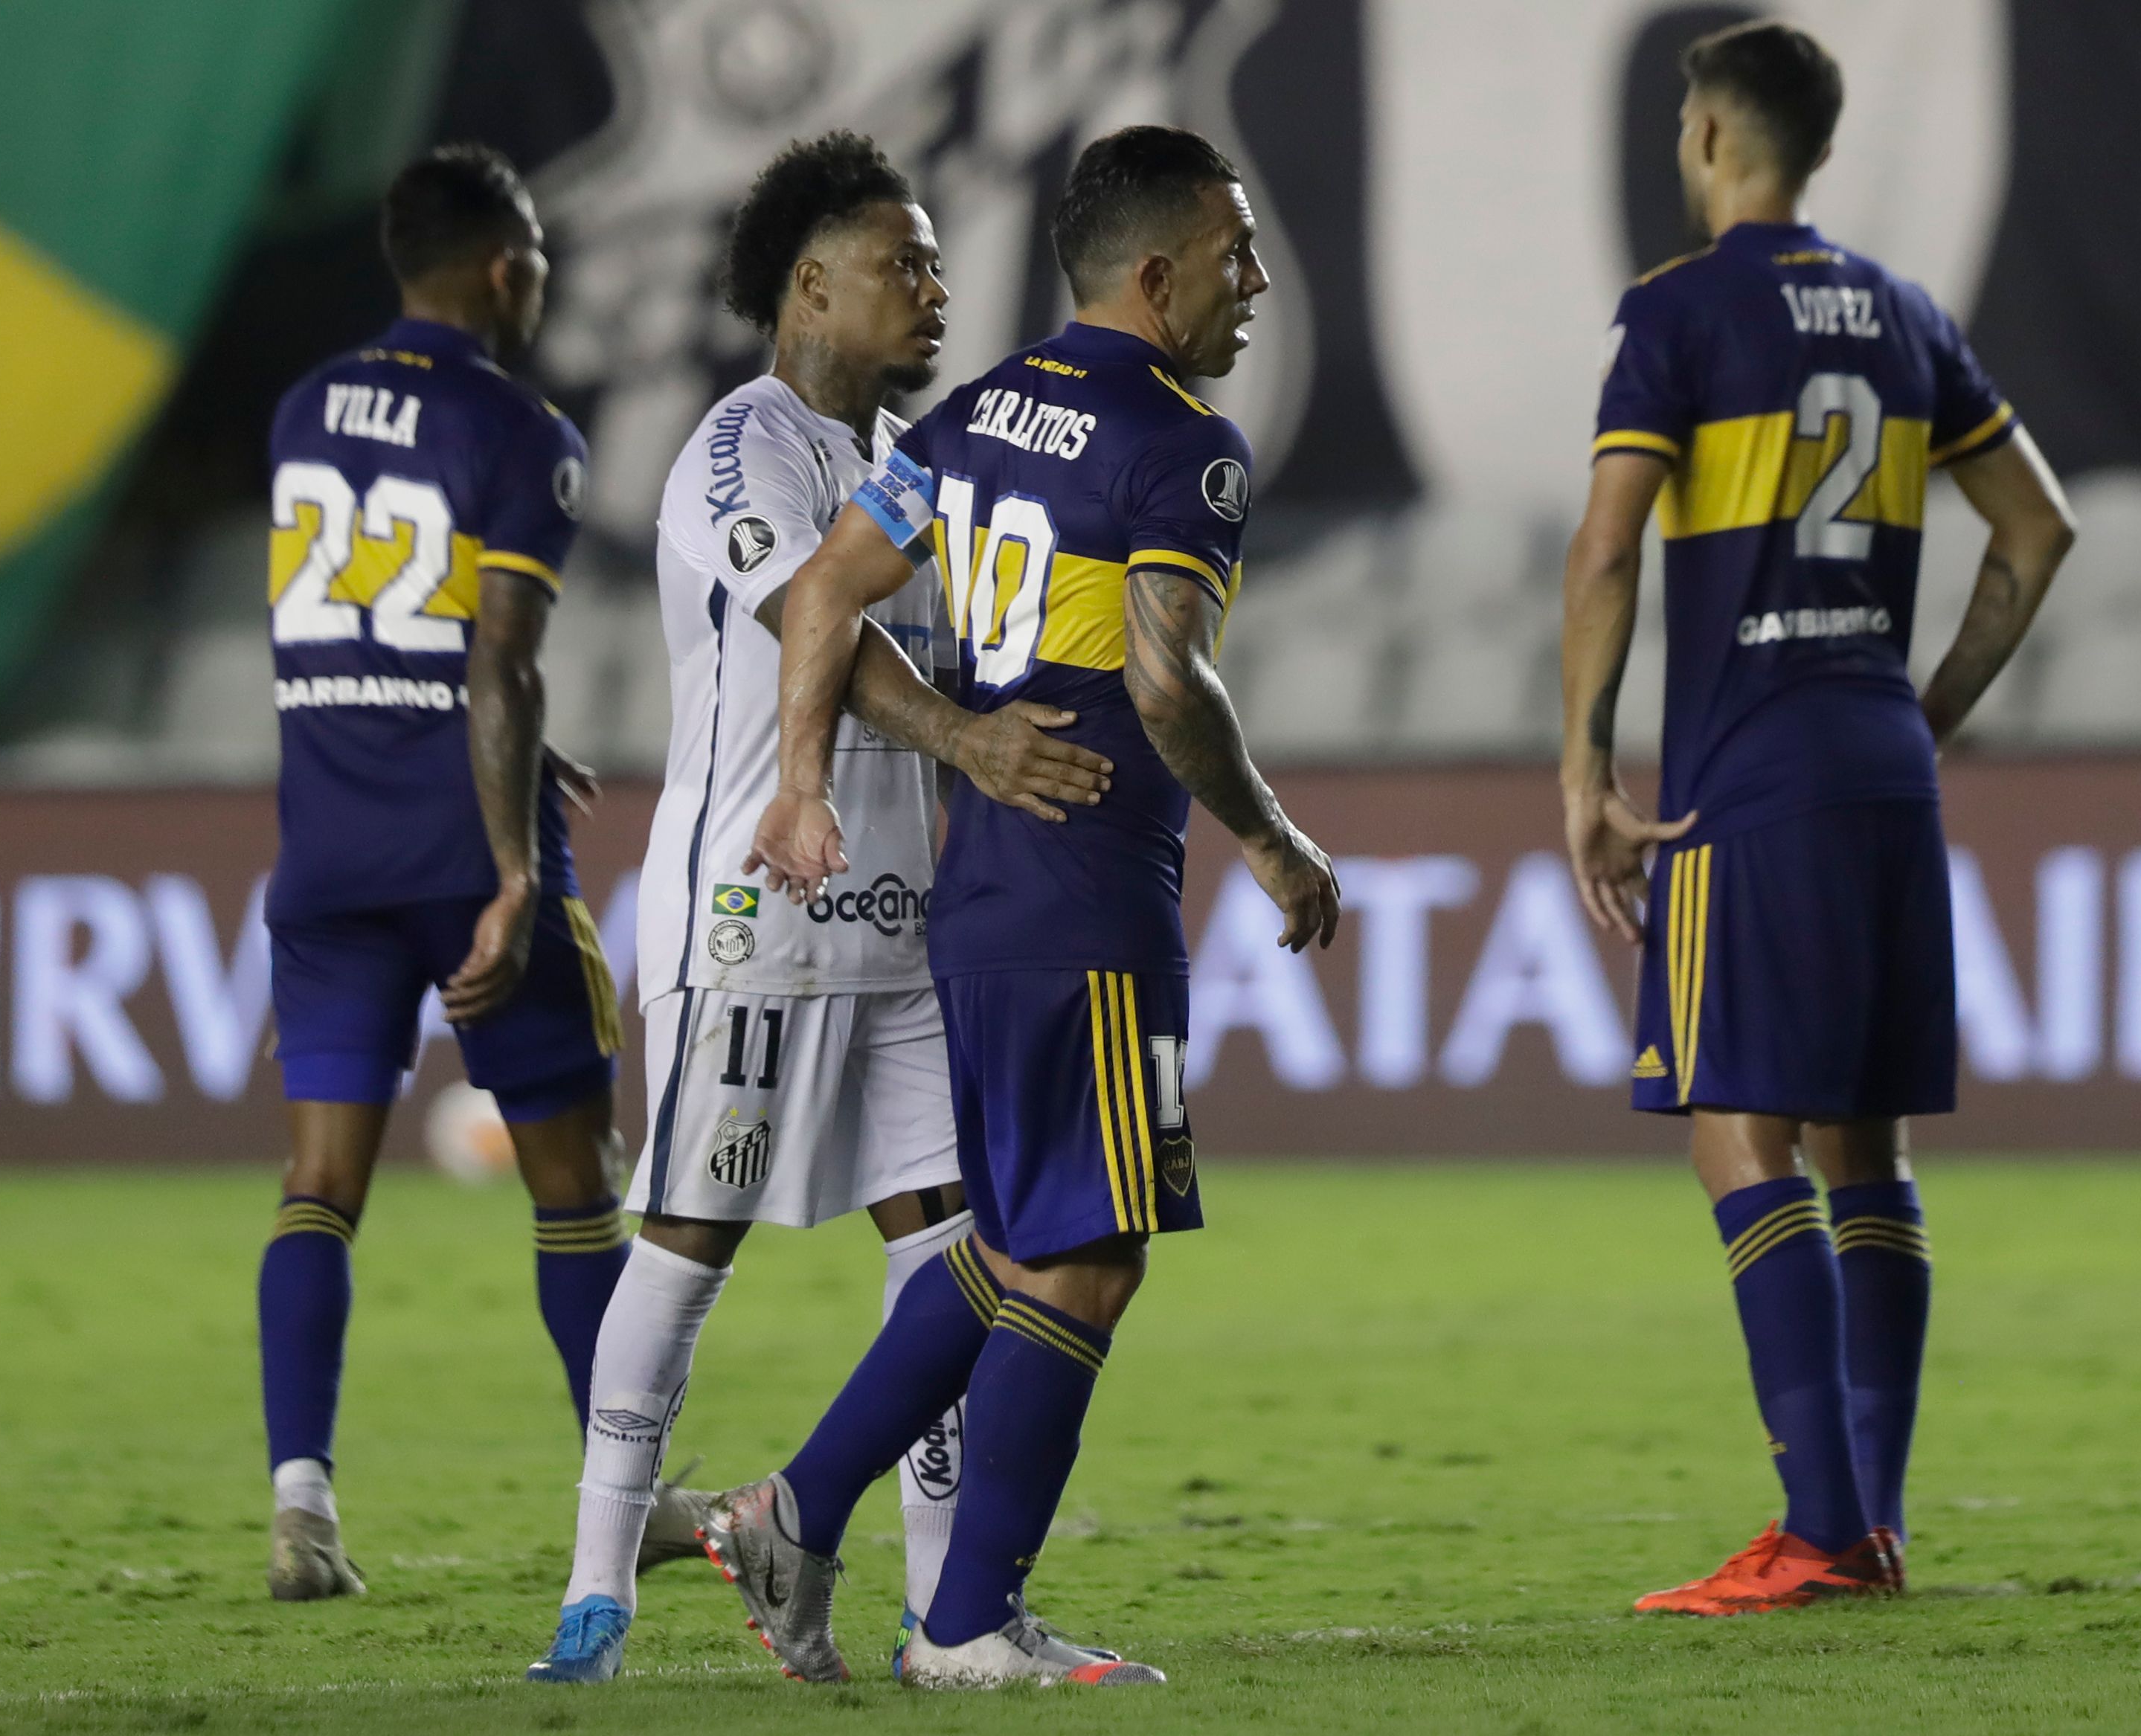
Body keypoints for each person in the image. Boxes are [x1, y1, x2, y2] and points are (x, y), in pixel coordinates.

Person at [710, 123, 1341, 1689]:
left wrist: (805, 779)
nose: (1253, 282)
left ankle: (795, 1506)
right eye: (1233, 252)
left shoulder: (977, 410)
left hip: (977, 896)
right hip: (1086, 891)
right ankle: (967, 1622)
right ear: (1153, 275)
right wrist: (1269, 837)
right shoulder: (1181, 442)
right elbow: (1161, 676)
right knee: (1093, 1252)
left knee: (1014, 1239)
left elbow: (823, 593)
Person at [525, 133, 1114, 1685]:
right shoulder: (742, 447)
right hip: (761, 912)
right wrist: (972, 738)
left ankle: (944, 1616)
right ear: (809, 283)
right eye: (903, 261)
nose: (934, 287)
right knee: (689, 1232)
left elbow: (975, 639)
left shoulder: (908, 457)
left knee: (954, 1246)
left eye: (933, 263)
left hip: (911, 923)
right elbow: (816, 621)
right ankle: (597, 1591)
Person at [1559, 21, 2076, 1616]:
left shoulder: (1675, 311)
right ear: (1818, 149)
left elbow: (1605, 553)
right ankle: (1872, 1521)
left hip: (1748, 763)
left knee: (1734, 1121)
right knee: (1866, 1139)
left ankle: (1822, 1528)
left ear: (1708, 139)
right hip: (1873, 758)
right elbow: (2035, 532)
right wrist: (1916, 719)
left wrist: (1579, 774)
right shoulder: (1906, 316)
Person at [257, 144, 635, 1600]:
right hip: (453, 851)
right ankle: (624, 1496)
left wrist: (518, 758)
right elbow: (494, 660)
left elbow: (359, 637)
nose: (541, 273)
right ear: (501, 268)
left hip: (328, 849)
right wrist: (512, 869)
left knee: (316, 1187)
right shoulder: (515, 428)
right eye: (535, 249)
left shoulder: (300, 409)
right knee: (572, 1186)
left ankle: (302, 1503)